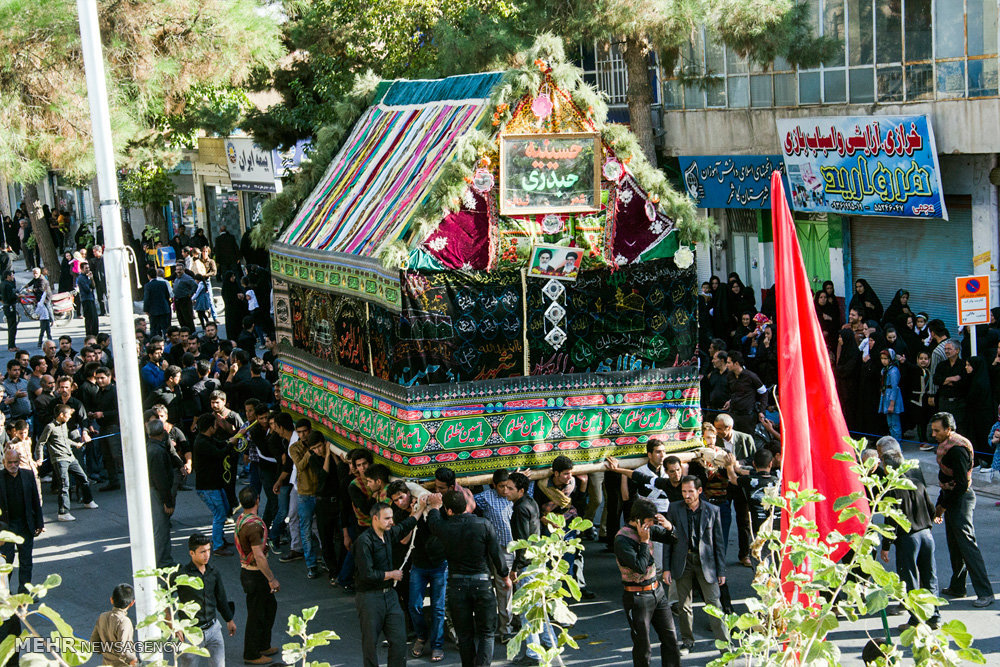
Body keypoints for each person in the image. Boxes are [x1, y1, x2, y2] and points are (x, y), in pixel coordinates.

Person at [426, 490, 510, 667]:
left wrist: (434, 506)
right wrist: (505, 576)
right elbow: (496, 555)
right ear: (466, 506)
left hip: (457, 585)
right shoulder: (484, 524)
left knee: (464, 635)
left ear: (448, 511)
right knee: (487, 633)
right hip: (482, 583)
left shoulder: (444, 527)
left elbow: (432, 521)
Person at [875, 437, 940, 630]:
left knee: (910, 578)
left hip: (908, 538)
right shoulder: (917, 483)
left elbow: (891, 521)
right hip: (926, 534)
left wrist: (885, 546)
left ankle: (915, 619)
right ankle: (934, 615)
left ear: (888, 468)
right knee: (930, 576)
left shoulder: (892, 490)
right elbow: (931, 508)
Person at [930, 413, 994, 607]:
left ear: (948, 430)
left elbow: (960, 485)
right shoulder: (948, 445)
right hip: (952, 499)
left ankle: (986, 593)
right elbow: (946, 481)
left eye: (937, 431)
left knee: (967, 546)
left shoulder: (957, 450)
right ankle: (958, 586)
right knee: (955, 546)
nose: (933, 434)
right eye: (933, 430)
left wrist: (942, 505)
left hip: (961, 500)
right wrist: (941, 505)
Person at [664, 476, 730, 655]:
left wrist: (721, 570)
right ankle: (687, 642)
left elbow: (719, 543)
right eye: (684, 491)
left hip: (706, 563)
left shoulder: (712, 510)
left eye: (690, 491)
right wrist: (666, 568)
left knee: (714, 603)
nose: (686, 495)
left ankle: (724, 645)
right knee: (684, 605)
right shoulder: (674, 508)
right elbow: (668, 540)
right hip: (682, 561)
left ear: (699, 491)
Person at [354, 500, 424, 667]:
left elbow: (407, 524)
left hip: (390, 596)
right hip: (369, 598)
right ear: (375, 519)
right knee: (370, 644)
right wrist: (391, 574)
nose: (391, 522)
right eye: (387, 518)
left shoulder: (388, 533)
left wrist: (420, 507)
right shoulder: (364, 541)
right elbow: (366, 574)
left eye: (391, 518)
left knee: (399, 641)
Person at [614, 498, 680, 667]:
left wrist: (669, 527)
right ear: (637, 519)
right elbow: (640, 567)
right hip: (637, 596)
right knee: (643, 645)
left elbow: (674, 539)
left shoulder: (648, 529)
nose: (651, 525)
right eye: (648, 521)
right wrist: (644, 542)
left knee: (670, 638)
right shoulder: (622, 539)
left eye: (653, 521)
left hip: (657, 591)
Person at [173, 533, 237, 667]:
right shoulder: (182, 575)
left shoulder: (213, 572)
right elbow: (166, 598)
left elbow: (221, 598)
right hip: (190, 634)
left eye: (208, 550)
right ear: (192, 553)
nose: (207, 555)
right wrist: (174, 626)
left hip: (213, 629)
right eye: (202, 552)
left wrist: (229, 620)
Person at [235, 486, 280, 665]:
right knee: (256, 614)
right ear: (257, 500)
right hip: (255, 575)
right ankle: (251, 653)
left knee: (269, 608)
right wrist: (271, 578)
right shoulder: (254, 526)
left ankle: (263, 644)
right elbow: (259, 557)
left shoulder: (241, 519)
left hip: (249, 573)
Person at [472, 469, 515, 644]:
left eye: (508, 487)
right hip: (492, 549)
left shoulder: (515, 494)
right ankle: (498, 627)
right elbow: (468, 502)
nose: (505, 491)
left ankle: (509, 626)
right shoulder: (486, 497)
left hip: (511, 548)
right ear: (493, 485)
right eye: (501, 487)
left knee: (508, 588)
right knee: (494, 588)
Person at [38, 404, 98, 522]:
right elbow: (40, 443)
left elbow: (65, 440)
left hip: (70, 457)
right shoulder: (50, 427)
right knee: (64, 485)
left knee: (83, 478)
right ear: (61, 415)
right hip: (59, 459)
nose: (70, 417)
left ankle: (88, 500)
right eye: (68, 415)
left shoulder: (64, 425)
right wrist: (40, 458)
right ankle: (63, 512)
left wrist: (76, 444)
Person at [0, 448, 43, 592]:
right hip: (6, 527)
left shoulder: (28, 475)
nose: (13, 465)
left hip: (25, 524)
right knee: (7, 561)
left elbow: (35, 500)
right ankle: (5, 592)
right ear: (3, 462)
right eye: (10, 462)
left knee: (26, 562)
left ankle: (24, 593)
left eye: (16, 462)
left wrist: (39, 522)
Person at [193, 413, 235, 557]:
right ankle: (217, 545)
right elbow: (220, 453)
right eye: (215, 424)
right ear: (210, 427)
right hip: (208, 487)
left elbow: (221, 444)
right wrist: (231, 444)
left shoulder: (206, 439)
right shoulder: (203, 443)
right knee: (220, 514)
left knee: (224, 510)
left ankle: (220, 539)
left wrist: (230, 441)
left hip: (214, 485)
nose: (217, 426)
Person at [146, 418, 180, 567]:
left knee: (159, 527)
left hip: (154, 490)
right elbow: (161, 479)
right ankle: (163, 561)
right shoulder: (157, 451)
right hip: (157, 492)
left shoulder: (151, 447)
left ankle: (161, 559)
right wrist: (168, 501)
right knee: (161, 528)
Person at [90, 584, 137, 667]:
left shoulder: (102, 616)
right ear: (132, 603)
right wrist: (134, 660)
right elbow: (123, 649)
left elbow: (94, 642)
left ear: (111, 600)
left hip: (106, 664)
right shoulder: (125, 622)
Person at [723, 351, 766, 435]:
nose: (726, 365)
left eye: (728, 362)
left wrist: (761, 410)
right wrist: (730, 401)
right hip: (733, 415)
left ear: (736, 363)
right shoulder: (729, 376)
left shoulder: (751, 376)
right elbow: (734, 392)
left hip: (747, 417)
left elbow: (764, 392)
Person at [878, 349, 904, 442]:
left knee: (895, 424)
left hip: (893, 398)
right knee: (890, 423)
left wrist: (892, 404)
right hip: (886, 396)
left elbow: (894, 387)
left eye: (886, 358)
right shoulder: (884, 370)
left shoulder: (893, 371)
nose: (883, 361)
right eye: (882, 358)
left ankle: (897, 444)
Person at [143, 268, 172, 337]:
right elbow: (167, 295)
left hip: (153, 311)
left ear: (148, 276)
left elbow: (146, 299)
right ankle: (167, 340)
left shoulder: (147, 286)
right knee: (165, 328)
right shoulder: (163, 283)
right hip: (164, 309)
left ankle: (156, 342)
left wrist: (146, 310)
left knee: (154, 329)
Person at [76, 263, 99, 336]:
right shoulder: (81, 278)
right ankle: (89, 334)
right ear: (82, 269)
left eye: (88, 268)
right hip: (86, 300)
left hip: (91, 298)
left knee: (94, 318)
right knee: (90, 319)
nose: (88, 269)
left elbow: (93, 286)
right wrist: (90, 288)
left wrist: (91, 278)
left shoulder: (87, 277)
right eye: (86, 268)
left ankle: (95, 333)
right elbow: (87, 290)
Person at [2, 271, 17, 352]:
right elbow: (11, 296)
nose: (13, 276)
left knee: (11, 326)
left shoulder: (3, 284)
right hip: (10, 306)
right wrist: (18, 296)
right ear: (8, 276)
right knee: (12, 327)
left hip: (6, 306)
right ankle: (11, 346)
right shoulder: (8, 285)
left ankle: (12, 345)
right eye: (12, 275)